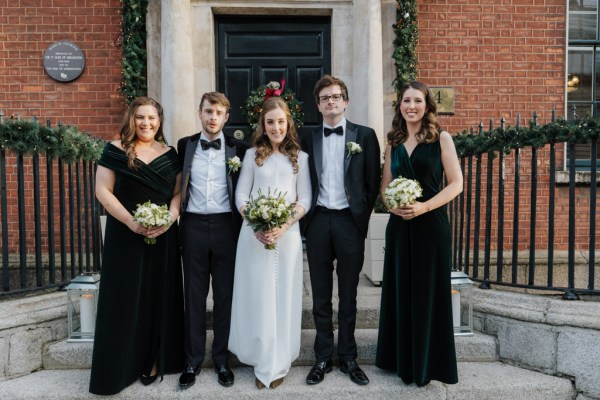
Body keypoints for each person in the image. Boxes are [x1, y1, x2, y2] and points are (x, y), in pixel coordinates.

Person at [89, 97, 184, 395]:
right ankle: (119, 365)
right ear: (132, 119)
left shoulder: (171, 154)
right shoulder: (115, 150)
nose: (146, 123)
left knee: (158, 296)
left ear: (160, 121)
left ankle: (153, 360)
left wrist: (169, 219)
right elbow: (103, 191)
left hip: (163, 235)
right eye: (141, 118)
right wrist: (131, 222)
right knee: (123, 298)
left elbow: (179, 193)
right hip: (125, 235)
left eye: (152, 118)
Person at [375, 81, 463, 386]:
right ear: (399, 105)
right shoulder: (393, 141)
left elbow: (455, 184)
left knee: (428, 292)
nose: (410, 106)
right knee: (400, 289)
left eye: (417, 101)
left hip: (431, 225)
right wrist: (393, 205)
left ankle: (428, 364)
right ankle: (398, 358)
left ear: (427, 106)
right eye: (405, 101)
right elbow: (385, 185)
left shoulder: (441, 139)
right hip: (399, 226)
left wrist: (423, 208)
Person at [301, 75, 381, 386]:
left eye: (336, 97)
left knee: (349, 294)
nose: (331, 102)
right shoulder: (308, 138)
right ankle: (322, 356)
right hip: (319, 221)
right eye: (325, 98)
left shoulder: (365, 135)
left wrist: (360, 218)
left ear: (345, 102)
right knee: (321, 295)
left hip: (350, 223)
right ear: (318, 105)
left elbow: (372, 181)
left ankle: (348, 356)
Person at [228, 97, 311, 389]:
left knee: (283, 296)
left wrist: (284, 224)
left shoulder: (300, 158)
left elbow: (305, 199)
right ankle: (261, 356)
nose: (276, 127)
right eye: (270, 122)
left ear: (289, 123)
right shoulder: (252, 156)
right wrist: (257, 223)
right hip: (253, 237)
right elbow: (241, 196)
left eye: (280, 121)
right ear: (263, 125)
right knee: (258, 295)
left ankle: (278, 361)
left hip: (286, 239)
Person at [177, 92, 249, 389]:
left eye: (219, 113)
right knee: (193, 297)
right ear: (200, 112)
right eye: (208, 111)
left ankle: (221, 359)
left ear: (226, 117)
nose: (213, 118)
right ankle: (193, 359)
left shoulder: (239, 148)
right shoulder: (185, 145)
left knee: (224, 297)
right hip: (192, 225)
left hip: (226, 228)